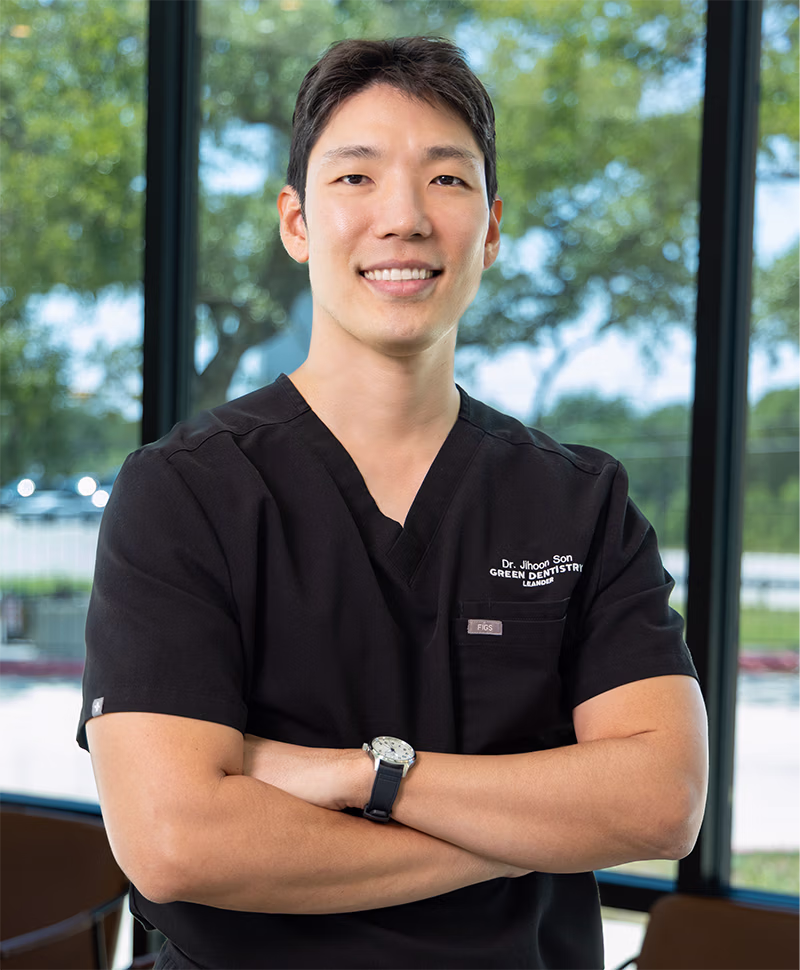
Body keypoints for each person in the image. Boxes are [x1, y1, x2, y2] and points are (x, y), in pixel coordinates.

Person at [78, 36, 708, 970]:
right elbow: (175, 841)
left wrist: (359, 777)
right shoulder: (183, 493)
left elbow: (659, 803)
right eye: (356, 179)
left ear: (491, 227)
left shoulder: (580, 502)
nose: (404, 218)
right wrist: (526, 831)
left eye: (447, 182)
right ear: (295, 222)